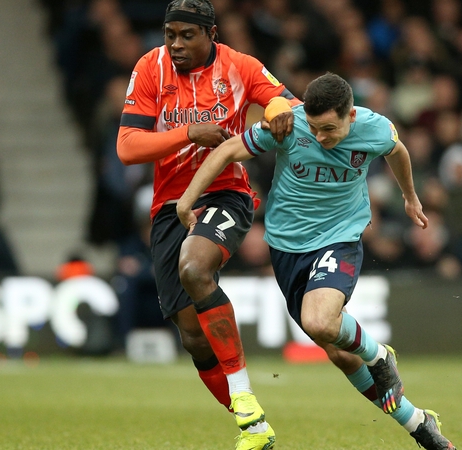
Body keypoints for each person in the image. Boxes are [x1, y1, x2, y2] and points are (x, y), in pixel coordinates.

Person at [177, 73, 457, 450]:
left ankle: (378, 355)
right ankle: (418, 423)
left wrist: (410, 197)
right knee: (338, 352)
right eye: (315, 128)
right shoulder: (288, 124)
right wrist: (187, 199)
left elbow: (398, 151)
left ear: (350, 116)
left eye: (329, 128)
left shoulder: (374, 127)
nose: (320, 137)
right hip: (286, 248)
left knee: (319, 321)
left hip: (340, 238)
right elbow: (227, 151)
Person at [116, 1, 298, 448]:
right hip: (169, 206)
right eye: (169, 34)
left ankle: (245, 396)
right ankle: (255, 428)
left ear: (210, 34)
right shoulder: (150, 67)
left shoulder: (239, 65)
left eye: (186, 35)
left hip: (226, 193)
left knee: (195, 268)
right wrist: (188, 132)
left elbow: (283, 98)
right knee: (194, 339)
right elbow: (128, 146)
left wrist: (276, 109)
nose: (175, 44)